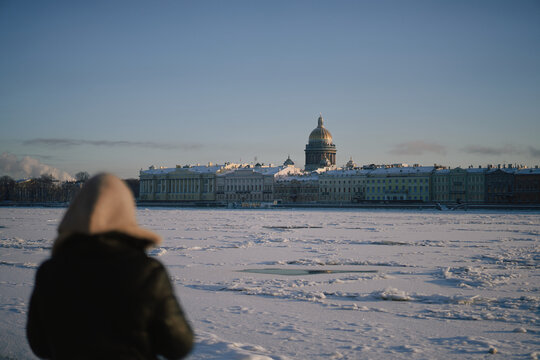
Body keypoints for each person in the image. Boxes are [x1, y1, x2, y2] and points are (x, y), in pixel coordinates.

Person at [27, 173, 194, 359]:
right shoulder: (148, 272)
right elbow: (179, 346)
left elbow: (40, 345)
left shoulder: (50, 271)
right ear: (126, 212)